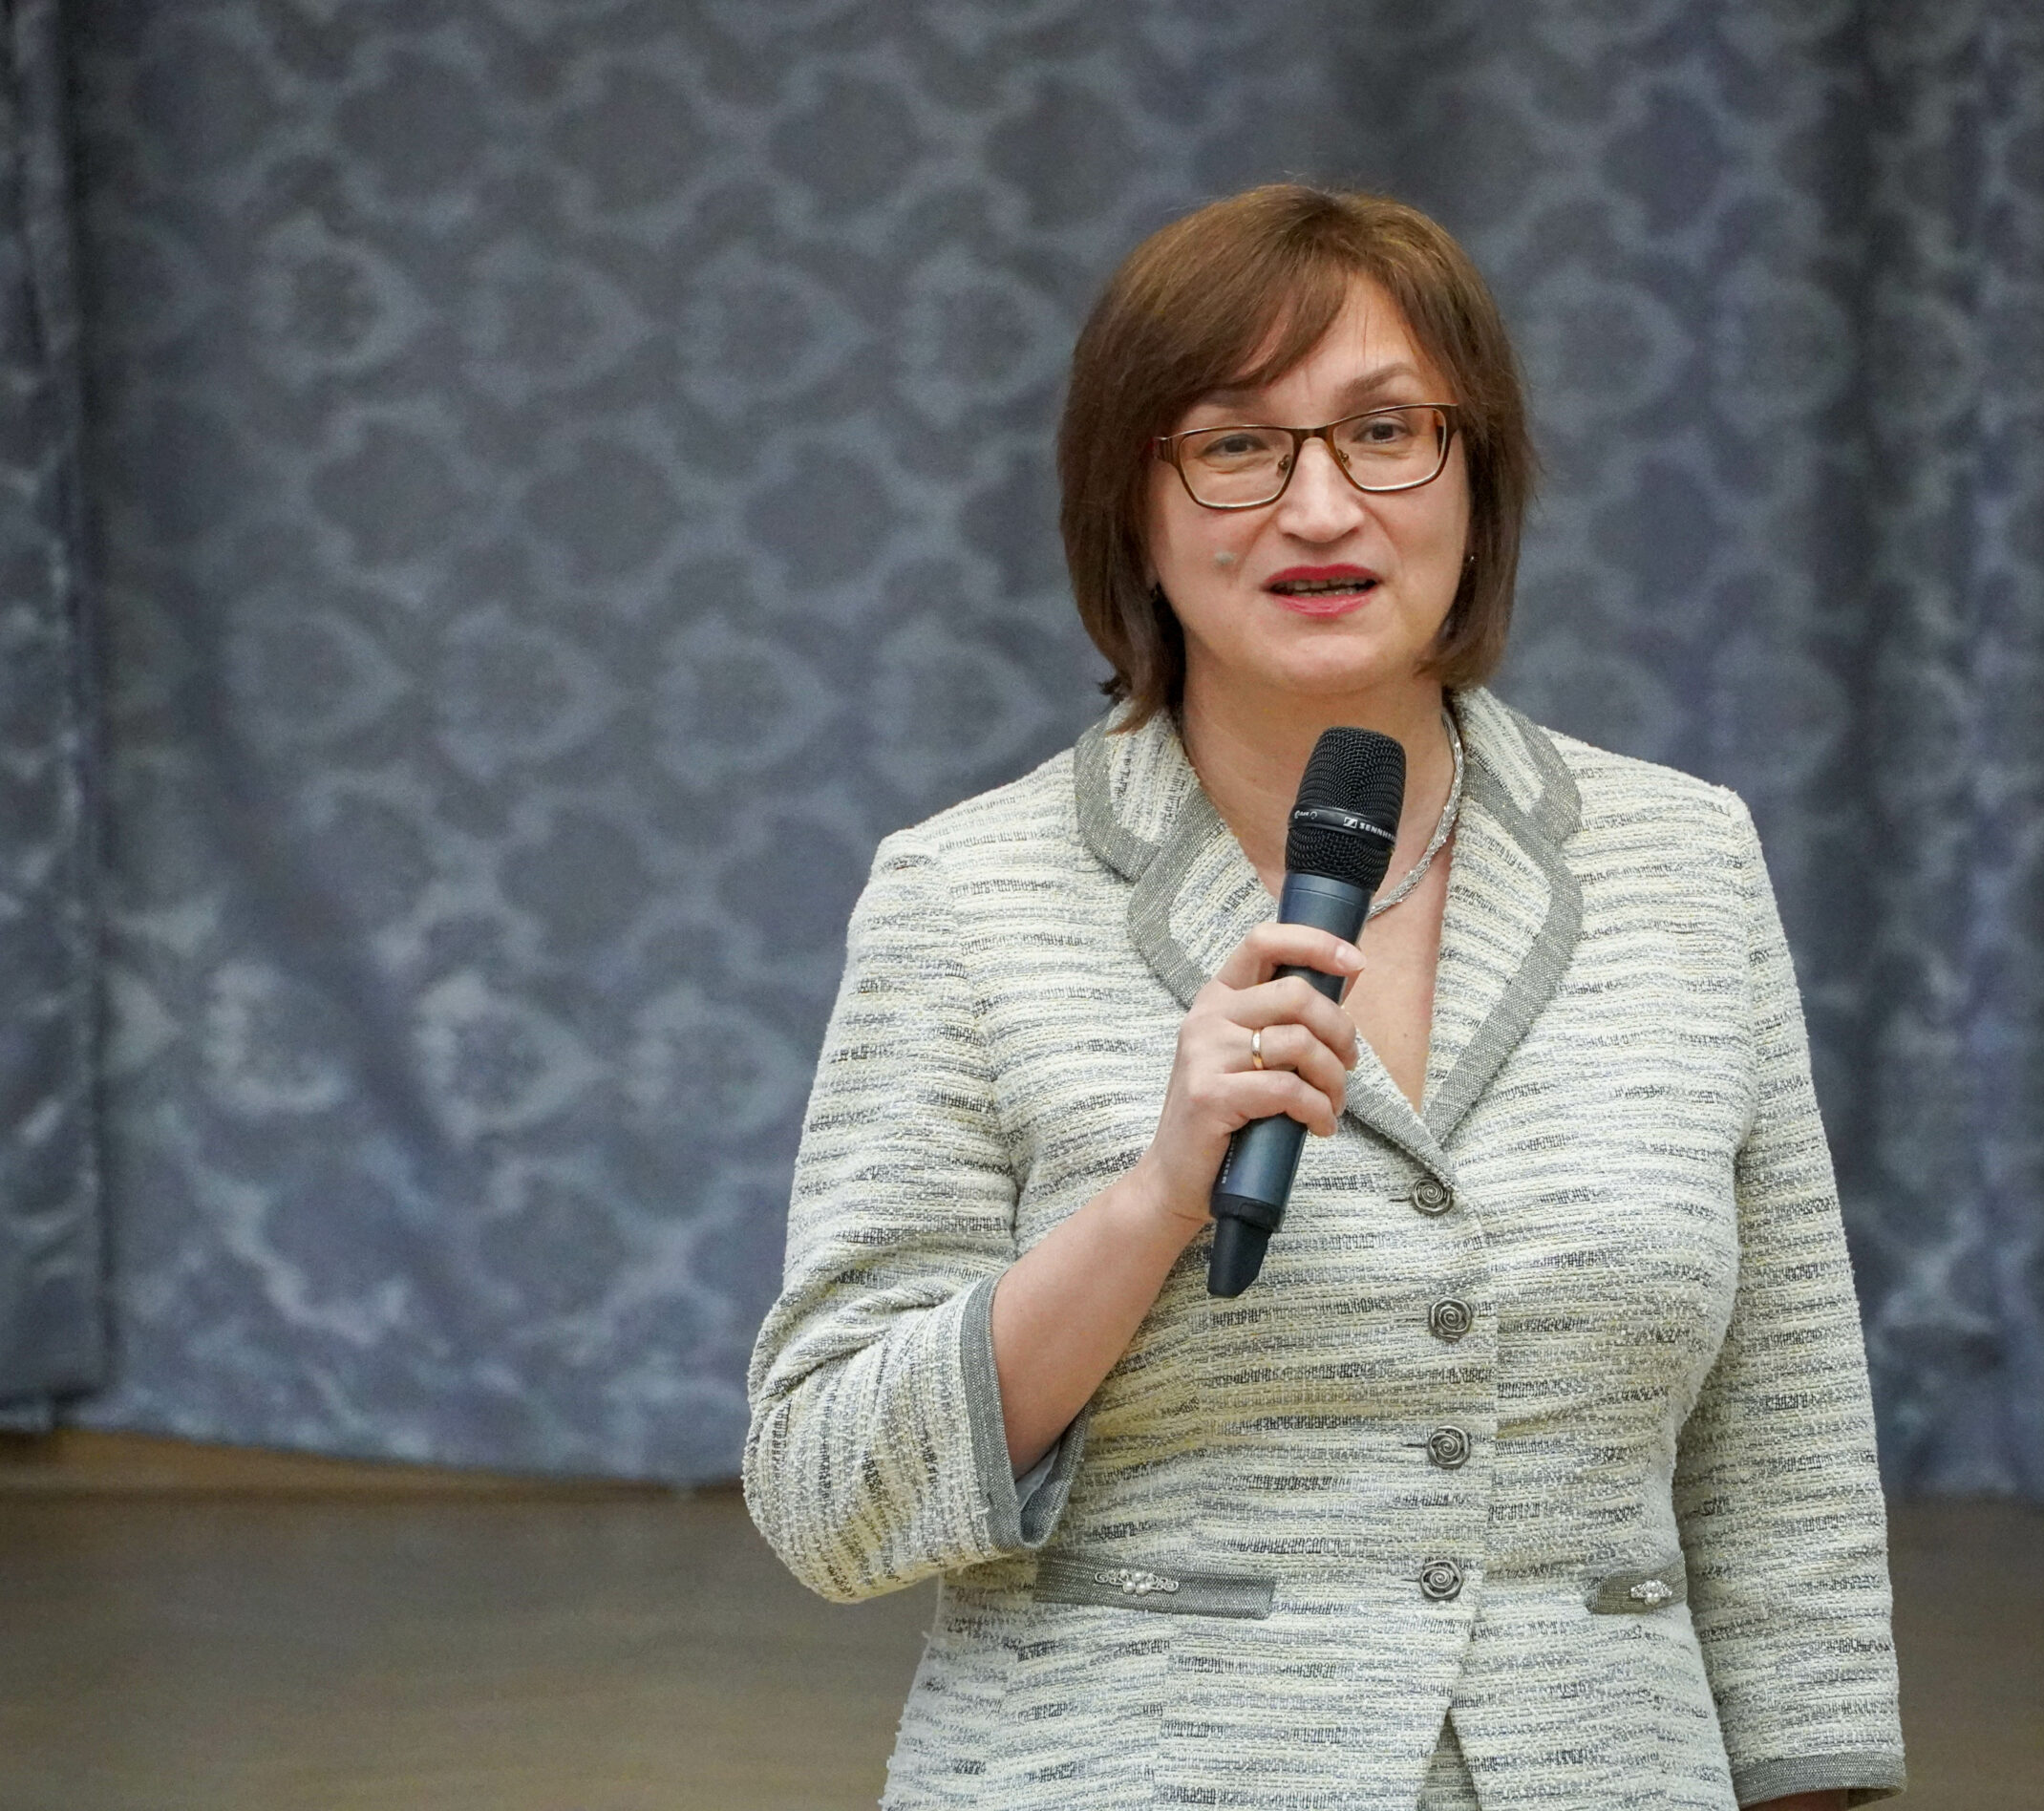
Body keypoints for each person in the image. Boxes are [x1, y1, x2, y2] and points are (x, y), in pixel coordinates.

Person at [743, 184, 1905, 1811]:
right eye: (1236, 445)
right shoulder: (966, 896)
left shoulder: (1683, 861)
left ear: (1478, 480)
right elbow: (830, 1495)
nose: (1319, 507)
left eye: (1385, 433)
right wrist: (1151, 1201)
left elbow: (1785, 1453)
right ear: (1131, 504)